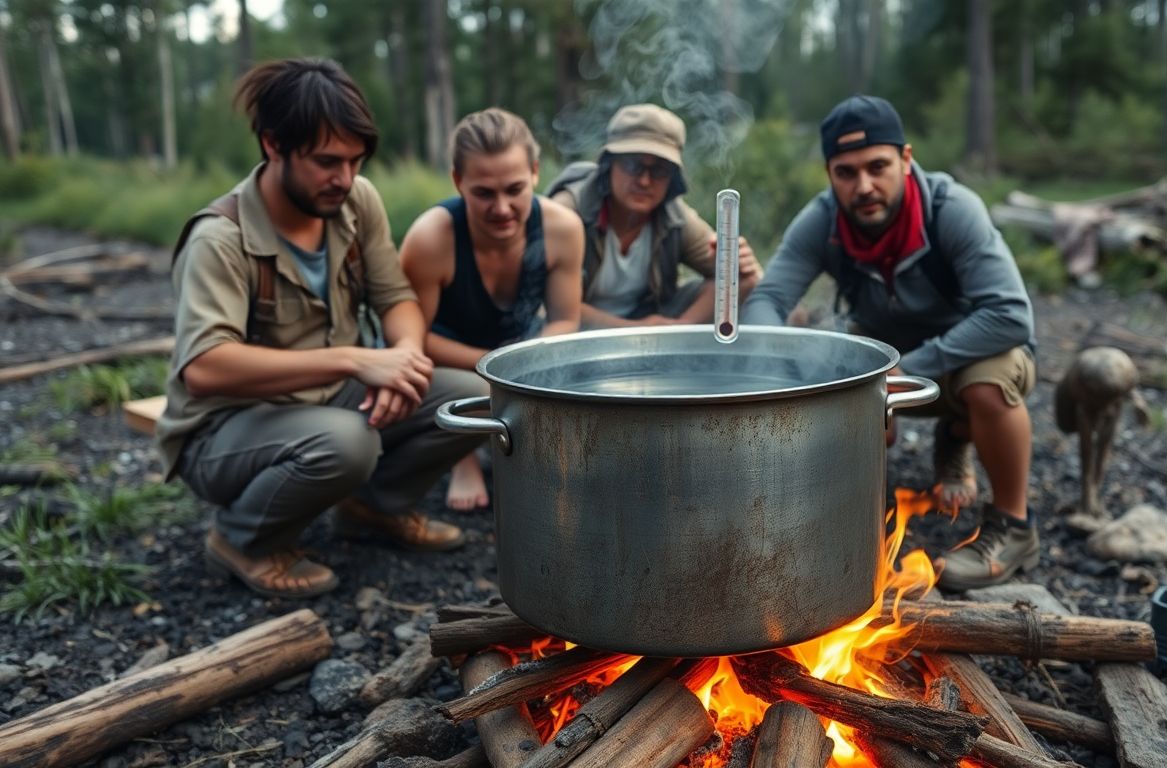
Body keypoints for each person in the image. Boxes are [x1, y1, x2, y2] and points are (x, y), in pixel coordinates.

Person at [157, 58, 480, 599]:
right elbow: (204, 368)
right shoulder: (220, 238)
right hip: (223, 431)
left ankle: (371, 509)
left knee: (470, 398)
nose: (345, 178)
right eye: (327, 162)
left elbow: (395, 296)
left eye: (356, 161)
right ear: (273, 145)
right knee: (349, 443)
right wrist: (356, 360)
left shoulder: (356, 201)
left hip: (328, 399)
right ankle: (241, 539)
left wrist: (402, 358)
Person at [741, 95, 1039, 591]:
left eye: (878, 167)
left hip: (968, 356)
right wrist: (780, 371)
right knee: (833, 373)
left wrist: (908, 367)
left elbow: (1010, 315)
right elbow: (768, 299)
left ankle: (1013, 527)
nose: (863, 186)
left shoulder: (951, 209)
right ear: (829, 174)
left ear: (905, 159)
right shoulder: (823, 220)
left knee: (985, 384)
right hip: (886, 366)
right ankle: (861, 525)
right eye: (846, 172)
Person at [399, 108, 583, 510]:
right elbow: (413, 339)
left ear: (535, 172)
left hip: (517, 344)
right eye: (483, 193)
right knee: (469, 383)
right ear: (457, 181)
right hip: (444, 354)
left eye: (515, 189)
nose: (501, 208)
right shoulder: (432, 239)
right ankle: (463, 458)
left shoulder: (562, 229)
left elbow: (565, 320)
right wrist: (499, 367)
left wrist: (521, 361)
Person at [547, 103, 760, 328]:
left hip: (650, 323)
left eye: (659, 171)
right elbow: (548, 304)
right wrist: (638, 332)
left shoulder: (675, 218)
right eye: (633, 165)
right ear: (609, 164)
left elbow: (744, 280)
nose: (644, 181)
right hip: (572, 335)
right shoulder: (568, 212)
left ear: (672, 178)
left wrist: (679, 328)